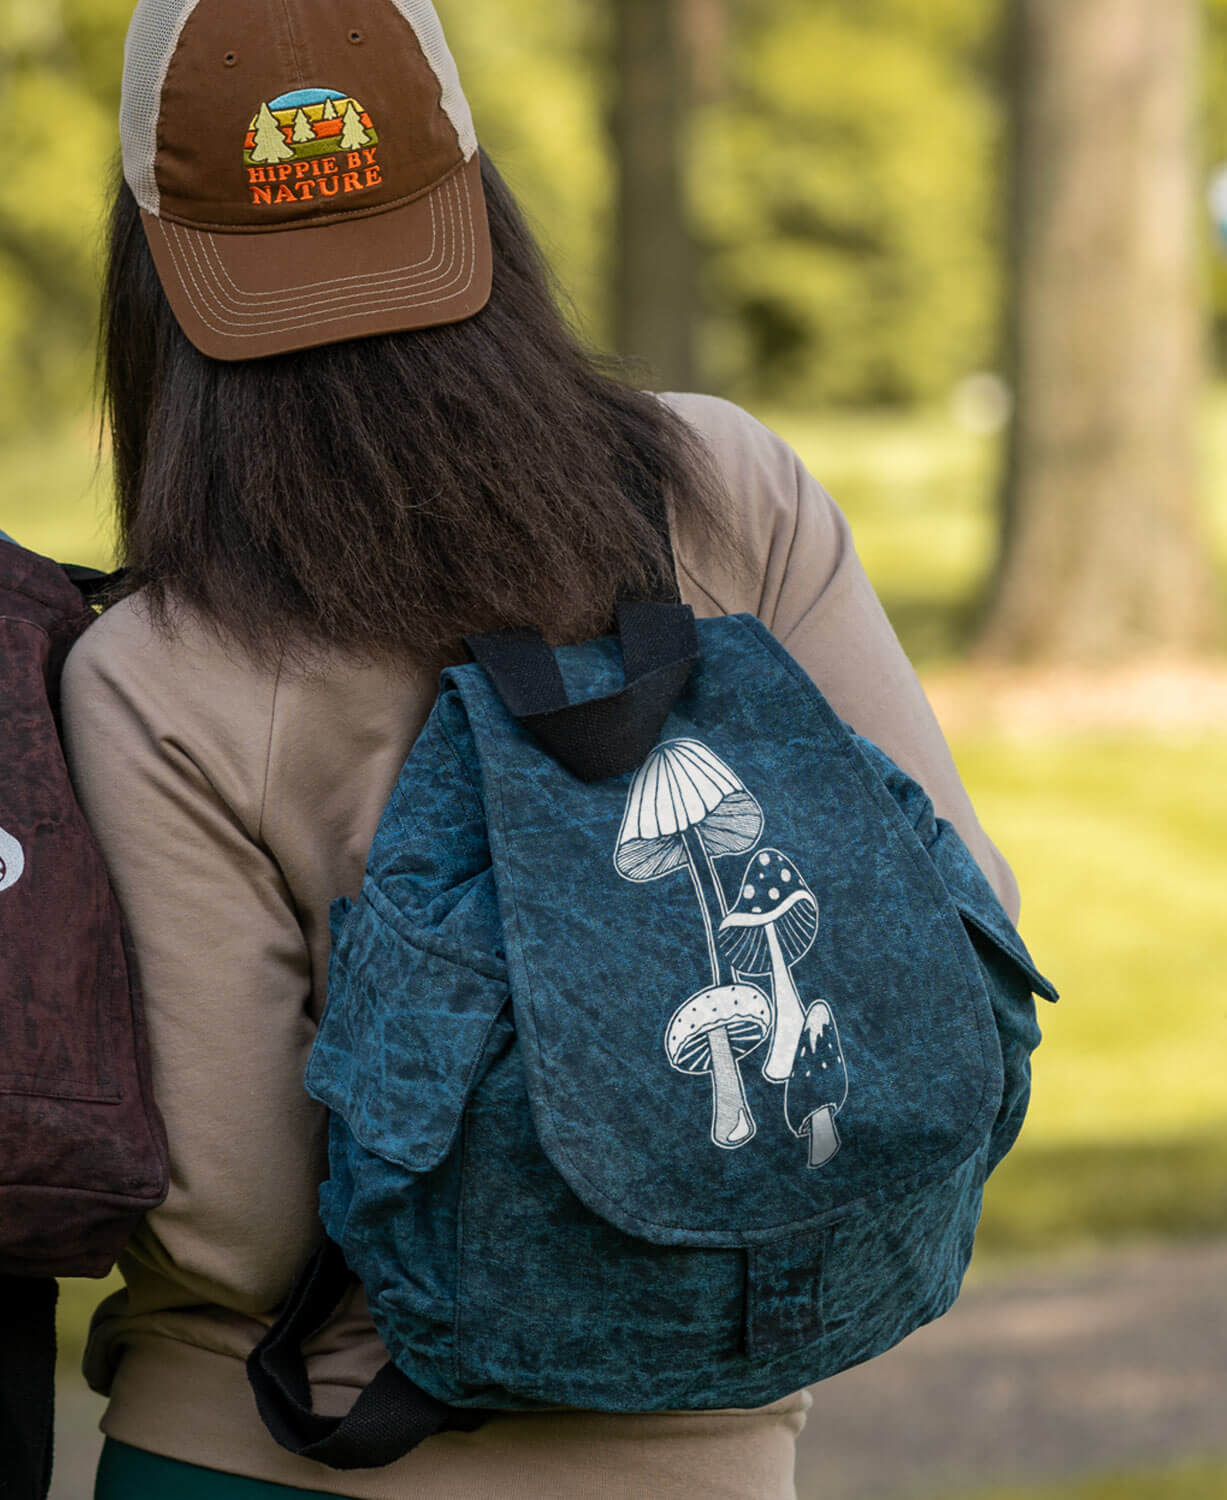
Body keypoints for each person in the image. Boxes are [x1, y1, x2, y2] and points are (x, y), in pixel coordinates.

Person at [62, 1, 1021, 1496]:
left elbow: (234, 1223)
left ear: (156, 271)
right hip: (697, 1458)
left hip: (272, 1445)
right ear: (475, 198)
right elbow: (958, 916)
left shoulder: (161, 663)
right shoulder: (724, 487)